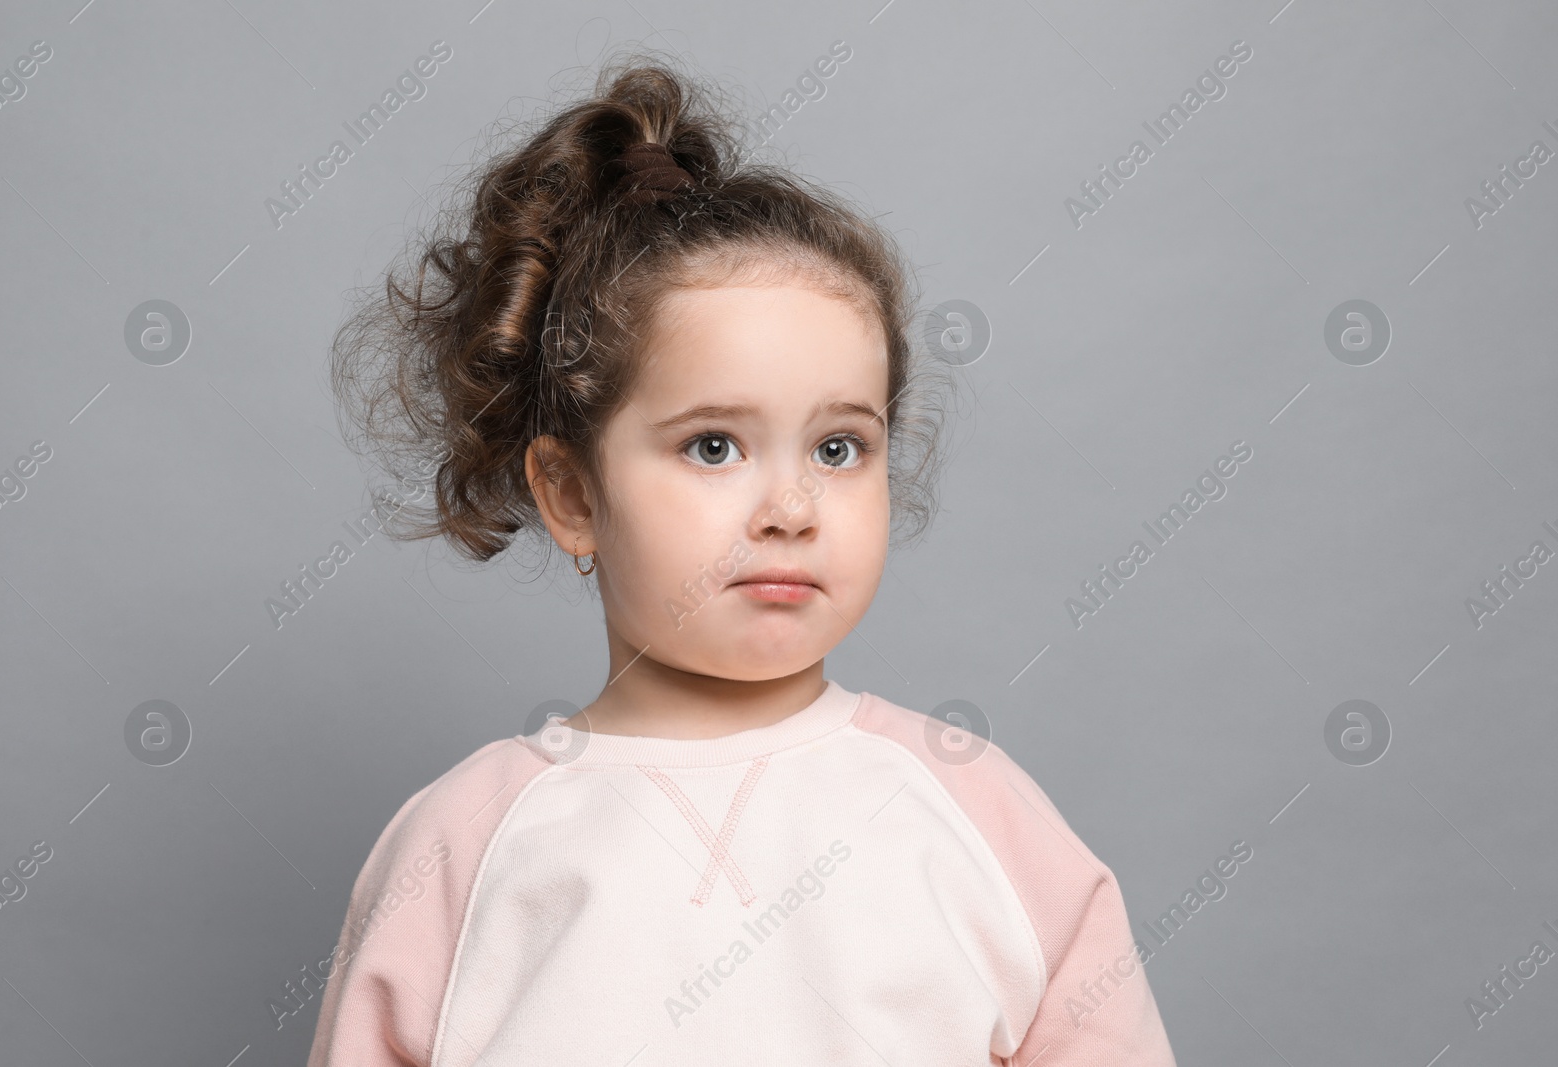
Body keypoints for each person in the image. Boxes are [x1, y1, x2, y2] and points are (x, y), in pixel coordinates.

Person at [307, 52, 1176, 1067]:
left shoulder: (979, 814)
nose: (792, 507)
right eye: (713, 445)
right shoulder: (463, 845)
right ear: (573, 493)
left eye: (838, 447)